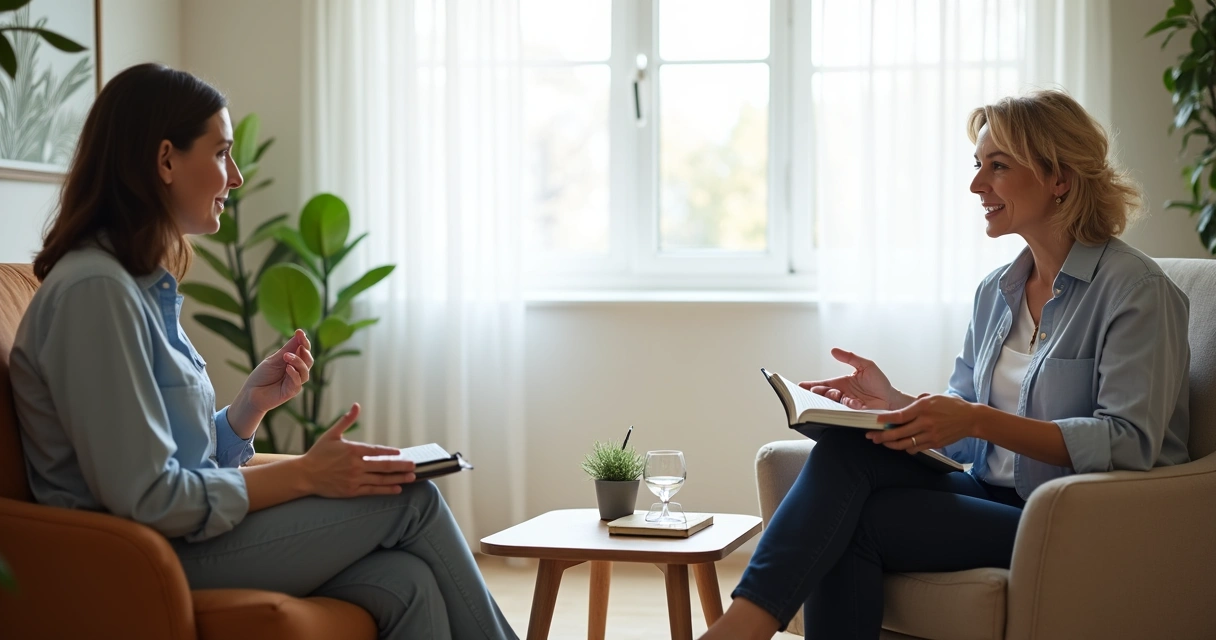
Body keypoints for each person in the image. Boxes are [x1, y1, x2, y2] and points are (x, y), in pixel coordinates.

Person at [9, 63, 518, 640]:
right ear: (166, 160)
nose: (237, 177)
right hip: (138, 560)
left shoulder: (135, 287)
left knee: (405, 582)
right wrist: (303, 475)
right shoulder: (95, 293)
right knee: (412, 502)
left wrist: (246, 410)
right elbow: (149, 499)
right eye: (222, 153)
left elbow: (175, 463)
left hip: (182, 538)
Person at [700, 89, 1191, 640]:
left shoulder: (1137, 292)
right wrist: (896, 403)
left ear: (1061, 178)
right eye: (978, 166)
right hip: (993, 496)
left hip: (1075, 520)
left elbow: (1129, 442)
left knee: (851, 522)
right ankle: (741, 628)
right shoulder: (997, 291)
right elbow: (965, 433)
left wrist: (977, 420)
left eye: (998, 167)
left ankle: (735, 630)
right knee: (844, 448)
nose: (977, 185)